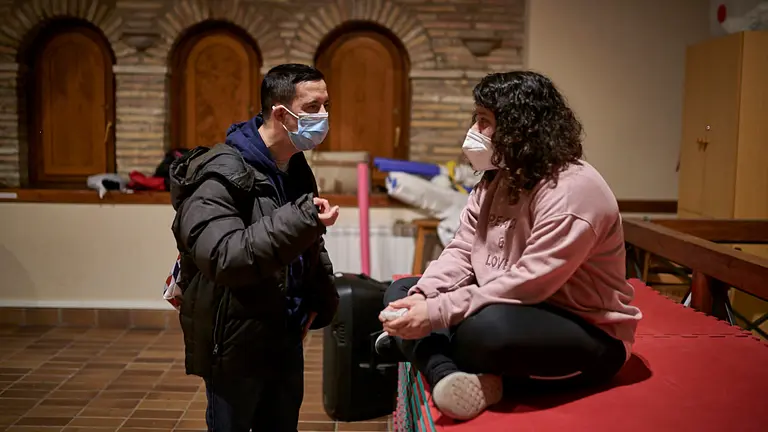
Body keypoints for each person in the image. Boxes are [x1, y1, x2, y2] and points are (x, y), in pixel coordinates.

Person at [376, 71, 643, 421]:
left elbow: (528, 284)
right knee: (402, 290)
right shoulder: (498, 178)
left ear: (520, 128)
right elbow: (461, 249)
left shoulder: (574, 191)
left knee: (483, 331)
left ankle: (425, 352)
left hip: (586, 329)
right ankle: (450, 375)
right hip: (512, 305)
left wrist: (438, 314)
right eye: (477, 119)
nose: (475, 131)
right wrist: (425, 296)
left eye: (484, 121)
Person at [169, 64, 340, 431]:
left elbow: (307, 242)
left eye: (327, 104)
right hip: (235, 344)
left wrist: (319, 300)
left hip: (284, 336)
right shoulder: (220, 172)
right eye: (313, 107)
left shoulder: (294, 166)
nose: (324, 116)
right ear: (281, 114)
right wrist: (302, 219)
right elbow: (225, 257)